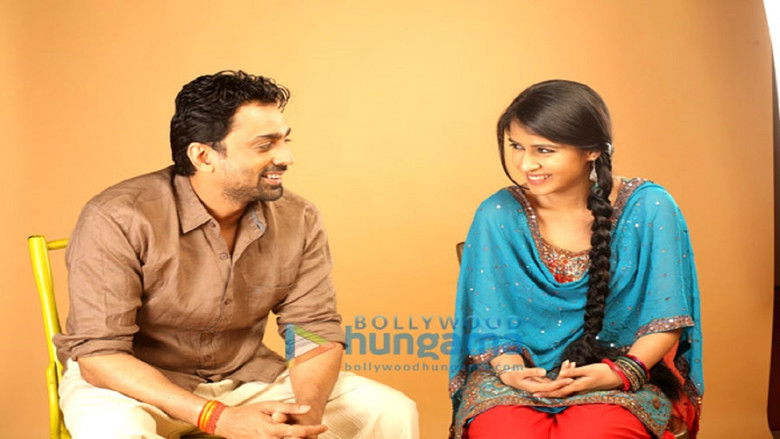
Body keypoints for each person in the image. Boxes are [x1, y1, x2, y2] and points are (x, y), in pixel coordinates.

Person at [54, 70, 418, 439]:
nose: (286, 157)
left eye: (285, 141)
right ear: (203, 156)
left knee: (389, 411)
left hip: (247, 378)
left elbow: (310, 329)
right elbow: (100, 356)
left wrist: (306, 413)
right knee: (116, 432)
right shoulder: (118, 216)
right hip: (134, 387)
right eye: (265, 145)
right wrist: (217, 417)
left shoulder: (299, 217)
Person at [448, 80, 703, 439]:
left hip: (621, 372)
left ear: (592, 151)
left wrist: (619, 373)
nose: (526, 164)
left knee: (596, 433)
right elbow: (491, 322)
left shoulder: (649, 207)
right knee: (503, 431)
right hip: (519, 379)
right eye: (517, 146)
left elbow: (666, 317)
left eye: (544, 150)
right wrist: (512, 373)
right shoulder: (498, 213)